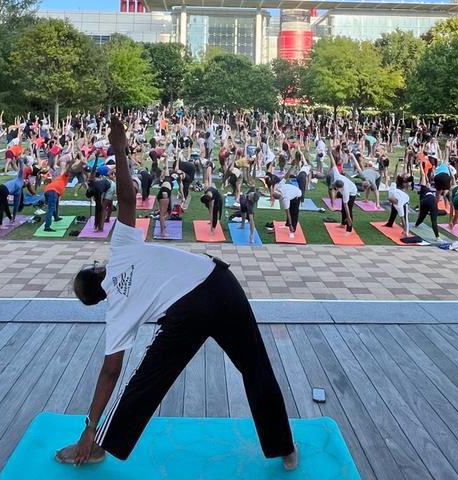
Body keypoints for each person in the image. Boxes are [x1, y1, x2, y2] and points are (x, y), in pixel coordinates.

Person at [56, 116, 297, 471]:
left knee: (146, 380)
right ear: (97, 271)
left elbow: (111, 372)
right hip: (218, 284)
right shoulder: (120, 248)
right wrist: (119, 149)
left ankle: (96, 446)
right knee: (255, 366)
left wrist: (89, 428)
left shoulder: (116, 311)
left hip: (188, 313)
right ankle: (285, 450)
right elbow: (127, 196)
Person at [42, 160, 70, 232]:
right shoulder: (64, 176)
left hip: (49, 190)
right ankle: (47, 227)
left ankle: (56, 217)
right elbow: (67, 170)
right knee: (50, 208)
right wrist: (71, 163)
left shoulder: (60, 178)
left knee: (55, 204)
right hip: (52, 191)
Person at [383, 174, 411, 238]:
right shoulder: (391, 191)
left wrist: (404, 230)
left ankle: (406, 232)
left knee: (405, 217)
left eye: (391, 201)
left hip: (405, 200)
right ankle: (390, 223)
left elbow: (402, 219)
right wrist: (396, 169)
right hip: (399, 195)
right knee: (393, 211)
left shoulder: (399, 205)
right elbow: (394, 179)